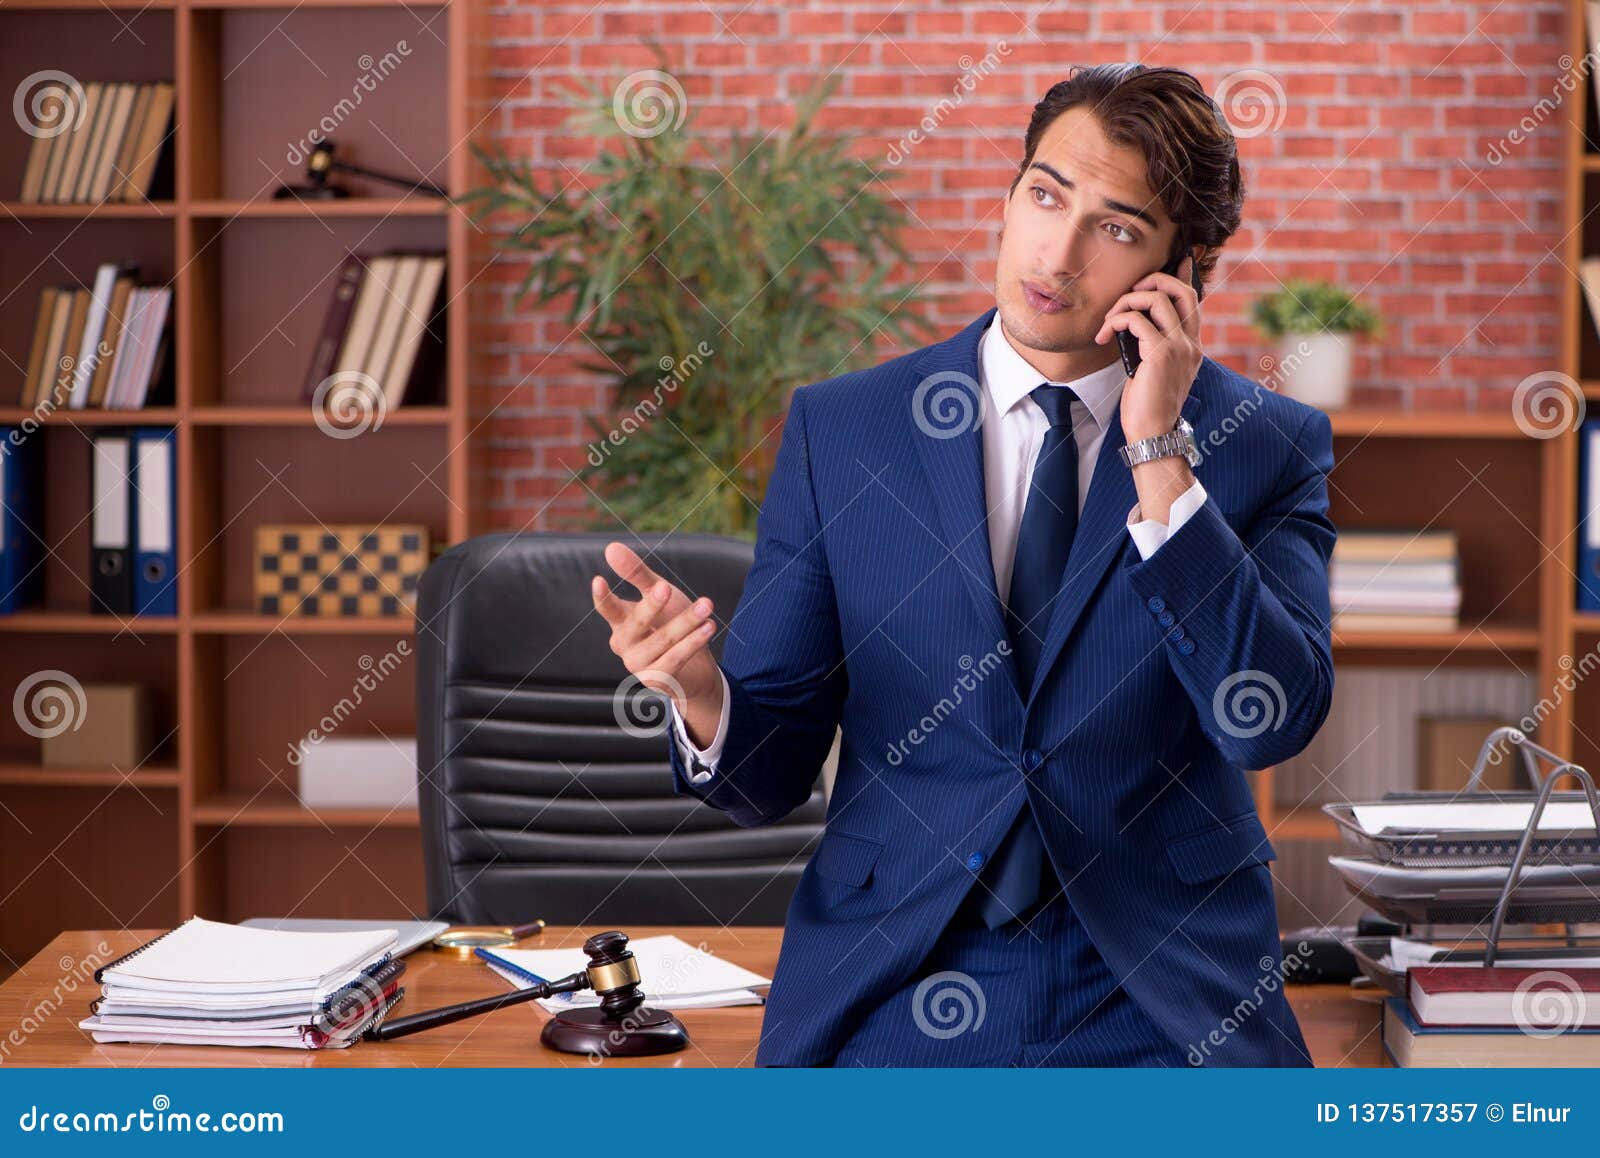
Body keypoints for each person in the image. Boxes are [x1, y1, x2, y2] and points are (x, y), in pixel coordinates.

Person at [592, 63, 1333, 1067]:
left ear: (1184, 269)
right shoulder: (844, 431)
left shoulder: (1261, 445)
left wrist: (1160, 455)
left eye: (1114, 228)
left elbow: (1271, 720)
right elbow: (765, 776)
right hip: (902, 967)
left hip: (1156, 983)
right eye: (1044, 195)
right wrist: (698, 692)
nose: (1057, 253)